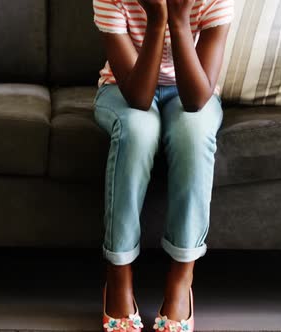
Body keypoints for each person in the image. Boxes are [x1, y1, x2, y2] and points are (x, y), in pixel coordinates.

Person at [92, 1, 234, 331]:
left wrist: (180, 20)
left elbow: (198, 99)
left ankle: (181, 281)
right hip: (124, 88)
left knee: (195, 135)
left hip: (192, 88)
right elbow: (138, 98)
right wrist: (157, 20)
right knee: (138, 132)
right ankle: (118, 277)